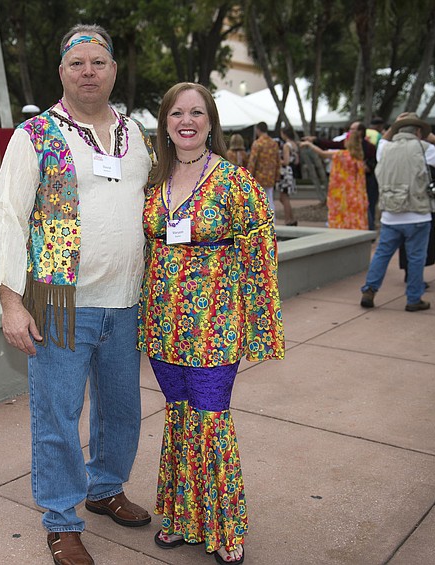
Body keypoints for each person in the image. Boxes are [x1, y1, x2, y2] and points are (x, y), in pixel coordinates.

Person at [0, 24, 155, 565]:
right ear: (61, 72)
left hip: (126, 302)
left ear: (112, 71)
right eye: (77, 62)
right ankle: (62, 519)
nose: (88, 71)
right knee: (58, 416)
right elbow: (9, 220)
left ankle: (105, 488)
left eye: (98, 62)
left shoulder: (137, 137)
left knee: (122, 410)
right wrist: (11, 303)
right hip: (60, 306)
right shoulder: (35, 135)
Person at [138, 82, 284, 565]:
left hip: (214, 325)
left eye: (197, 113)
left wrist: (257, 324)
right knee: (179, 417)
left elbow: (262, 253)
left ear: (210, 122)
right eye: (177, 112)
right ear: (165, 122)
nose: (187, 121)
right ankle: (183, 519)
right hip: (163, 324)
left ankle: (225, 527)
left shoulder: (234, 181)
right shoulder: (154, 179)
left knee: (211, 417)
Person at [359, 112, 435, 311]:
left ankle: (370, 289)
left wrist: (396, 125)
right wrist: (432, 137)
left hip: (391, 214)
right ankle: (413, 298)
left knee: (382, 254)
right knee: (416, 257)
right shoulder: (423, 147)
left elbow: (384, 139)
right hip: (417, 212)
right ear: (418, 131)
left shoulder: (385, 148)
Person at [307, 121, 379, 230]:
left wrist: (310, 144)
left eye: (353, 129)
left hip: (344, 190)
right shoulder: (359, 155)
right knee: (362, 211)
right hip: (357, 191)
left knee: (345, 212)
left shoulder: (342, 155)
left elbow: (323, 153)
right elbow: (330, 144)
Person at [246, 121, 280, 212]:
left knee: (258, 200)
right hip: (271, 176)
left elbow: (252, 161)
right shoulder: (274, 143)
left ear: (258, 130)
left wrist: (248, 177)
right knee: (270, 199)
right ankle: (272, 221)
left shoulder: (257, 143)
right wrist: (277, 176)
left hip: (259, 177)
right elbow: (278, 161)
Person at [278, 126, 298, 225]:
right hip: (292, 172)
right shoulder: (294, 145)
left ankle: (288, 219)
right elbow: (297, 160)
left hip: (285, 172)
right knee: (285, 196)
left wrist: (278, 160)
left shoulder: (286, 145)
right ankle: (291, 218)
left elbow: (285, 161)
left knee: (283, 197)